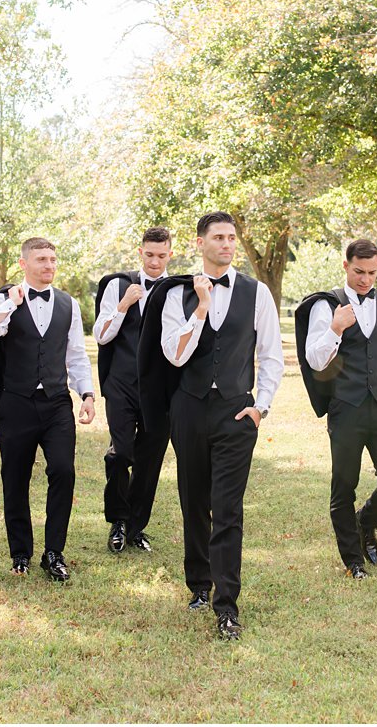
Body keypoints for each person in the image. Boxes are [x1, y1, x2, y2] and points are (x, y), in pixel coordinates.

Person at [145, 211, 283, 641]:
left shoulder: (256, 292)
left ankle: (226, 605)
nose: (227, 244)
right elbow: (174, 356)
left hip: (236, 414)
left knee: (227, 509)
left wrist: (260, 407)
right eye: (218, 237)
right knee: (193, 500)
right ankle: (199, 585)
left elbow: (272, 355)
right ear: (200, 242)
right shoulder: (175, 295)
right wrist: (201, 308)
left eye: (231, 237)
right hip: (188, 410)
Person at [0, 237, 96, 582]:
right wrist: (8, 305)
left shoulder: (69, 305)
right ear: (24, 264)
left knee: (64, 472)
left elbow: (76, 355)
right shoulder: (4, 300)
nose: (49, 265)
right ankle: (20, 553)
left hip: (56, 404)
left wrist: (87, 394)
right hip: (16, 404)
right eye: (41, 259)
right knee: (15, 478)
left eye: (53, 259)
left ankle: (54, 552)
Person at [297, 239, 377, 579]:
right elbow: (315, 360)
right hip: (346, 408)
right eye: (359, 272)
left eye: (372, 273)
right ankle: (353, 560)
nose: (366, 280)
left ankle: (364, 524)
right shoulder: (327, 306)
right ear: (345, 266)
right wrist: (336, 328)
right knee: (344, 484)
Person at [92, 227, 174, 554]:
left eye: (161, 255)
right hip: (121, 384)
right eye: (149, 255)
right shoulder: (117, 285)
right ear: (140, 252)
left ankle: (136, 526)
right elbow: (101, 335)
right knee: (121, 453)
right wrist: (124, 305)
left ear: (170, 254)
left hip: (161, 389)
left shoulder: (178, 290)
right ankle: (118, 519)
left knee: (149, 460)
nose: (155, 261)